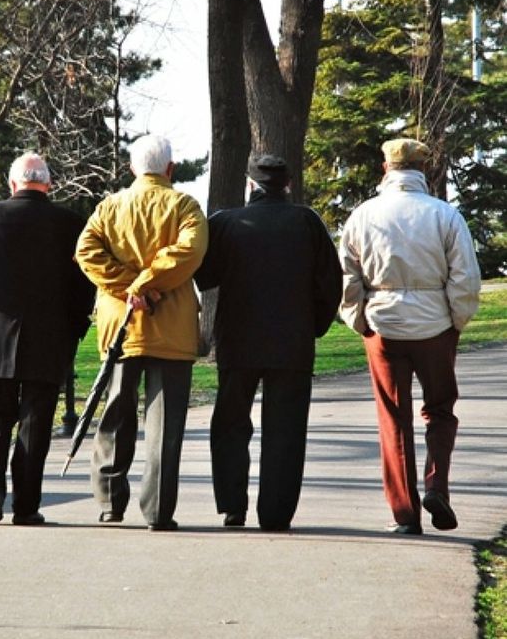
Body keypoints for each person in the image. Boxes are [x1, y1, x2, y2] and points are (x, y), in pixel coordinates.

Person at [339, 138, 481, 535]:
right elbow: (465, 277)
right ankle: (436, 485)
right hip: (435, 325)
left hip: (382, 325)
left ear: (385, 169)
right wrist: (456, 320)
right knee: (440, 410)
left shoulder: (362, 215)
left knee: (394, 419)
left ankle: (405, 514)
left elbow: (348, 277)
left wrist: (359, 320)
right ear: (423, 170)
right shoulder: (445, 215)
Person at [194, 155, 342, 531]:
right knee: (286, 430)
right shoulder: (307, 222)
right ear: (288, 185)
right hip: (292, 343)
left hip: (238, 340)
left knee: (230, 424)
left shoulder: (226, 222)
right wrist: (315, 326)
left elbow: (206, 277)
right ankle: (275, 513)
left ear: (250, 186)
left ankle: (232, 505)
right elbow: (330, 284)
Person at [74, 134, 208, 531]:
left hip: (121, 326)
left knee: (115, 414)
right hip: (172, 329)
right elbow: (190, 252)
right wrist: (148, 283)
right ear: (170, 168)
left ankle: (109, 502)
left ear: (133, 168)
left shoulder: (109, 207)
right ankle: (158, 511)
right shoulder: (185, 206)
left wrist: (130, 287)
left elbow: (87, 252)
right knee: (164, 426)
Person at [0, 152, 94, 526]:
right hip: (49, 337)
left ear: (12, 184)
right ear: (47, 184)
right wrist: (75, 326)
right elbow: (84, 284)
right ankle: (27, 504)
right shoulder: (70, 223)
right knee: (36, 422)